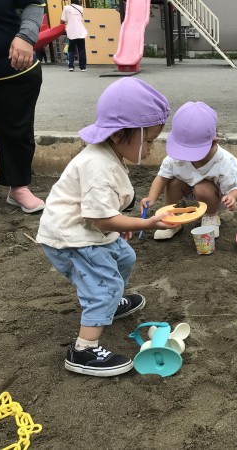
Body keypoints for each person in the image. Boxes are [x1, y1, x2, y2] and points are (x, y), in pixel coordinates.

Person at [36, 78, 180, 377]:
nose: (152, 148)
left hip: (88, 229)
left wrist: (117, 224)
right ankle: (83, 350)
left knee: (125, 257)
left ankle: (109, 306)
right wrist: (146, 223)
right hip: (72, 238)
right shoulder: (97, 165)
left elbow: (103, 213)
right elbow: (102, 219)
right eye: (149, 140)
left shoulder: (109, 154)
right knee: (105, 286)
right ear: (118, 134)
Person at [0, 0, 45, 234]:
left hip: (15, 65)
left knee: (18, 129)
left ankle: (18, 186)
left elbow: (34, 4)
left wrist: (27, 36)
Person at [141, 101, 237, 240]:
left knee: (203, 188)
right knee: (173, 183)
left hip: (211, 198)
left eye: (193, 153)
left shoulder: (224, 161)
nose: (187, 157)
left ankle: (210, 218)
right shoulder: (175, 157)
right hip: (186, 189)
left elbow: (236, 186)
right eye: (183, 151)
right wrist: (151, 198)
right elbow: (162, 177)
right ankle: (173, 218)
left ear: (214, 142)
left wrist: (232, 197)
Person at [61, 0, 88, 72]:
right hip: (80, 31)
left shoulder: (66, 7)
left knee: (71, 49)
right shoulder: (81, 8)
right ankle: (83, 67)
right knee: (81, 49)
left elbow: (63, 20)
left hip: (71, 31)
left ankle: (71, 66)